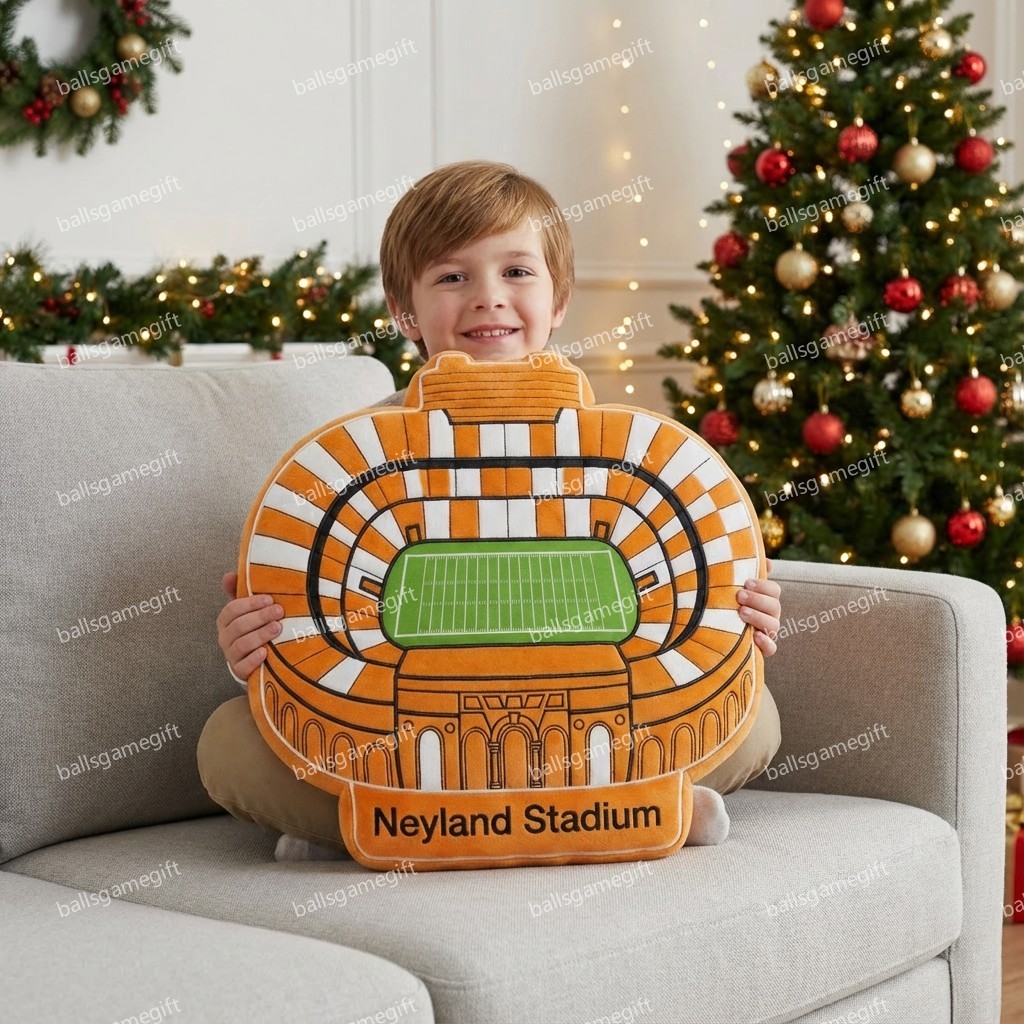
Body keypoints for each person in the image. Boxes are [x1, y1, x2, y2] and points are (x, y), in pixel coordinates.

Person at [199, 160, 782, 861]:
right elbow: (302, 631)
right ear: (404, 311)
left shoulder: (621, 448)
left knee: (757, 717)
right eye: (453, 277)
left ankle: (364, 821)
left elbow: (698, 605)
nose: (488, 298)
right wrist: (252, 651)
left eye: (517, 272)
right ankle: (643, 805)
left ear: (558, 299)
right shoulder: (360, 455)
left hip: (590, 707)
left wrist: (744, 621)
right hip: (409, 725)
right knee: (228, 744)